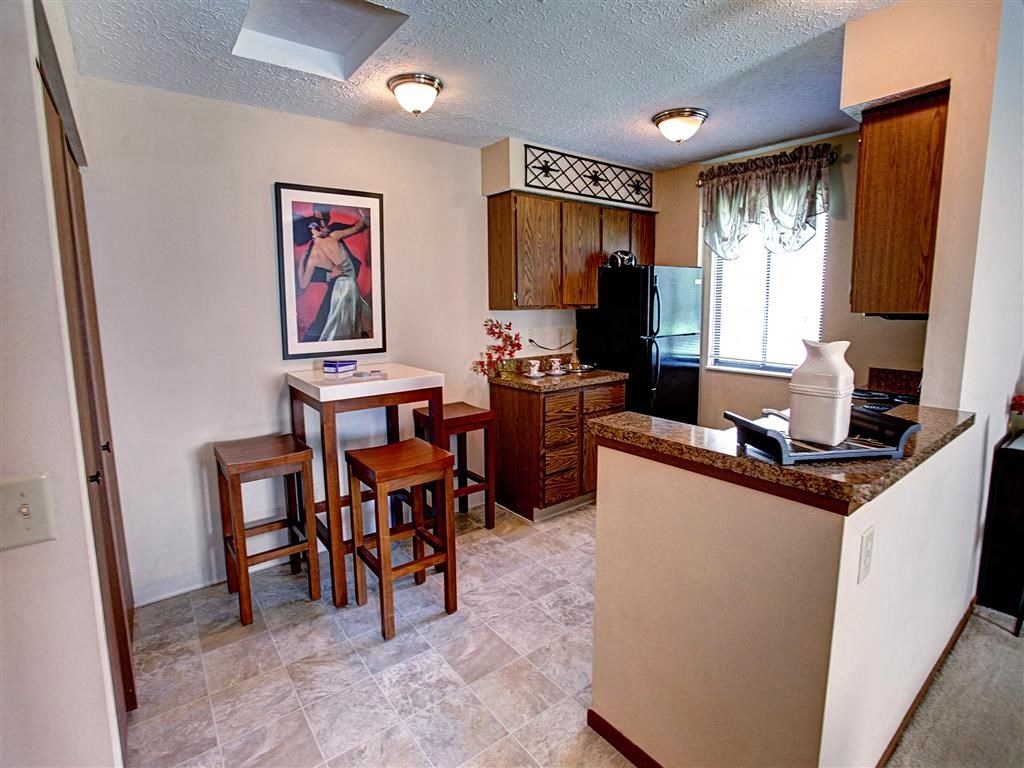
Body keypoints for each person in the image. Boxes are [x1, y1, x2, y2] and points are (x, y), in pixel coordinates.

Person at [297, 211, 370, 342]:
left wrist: (303, 262)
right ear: (311, 232)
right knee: (342, 324)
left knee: (348, 321)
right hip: (344, 287)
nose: (322, 226)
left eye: (322, 223)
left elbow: (357, 228)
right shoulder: (318, 252)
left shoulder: (327, 241)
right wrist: (328, 275)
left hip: (344, 287)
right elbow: (302, 284)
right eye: (316, 226)